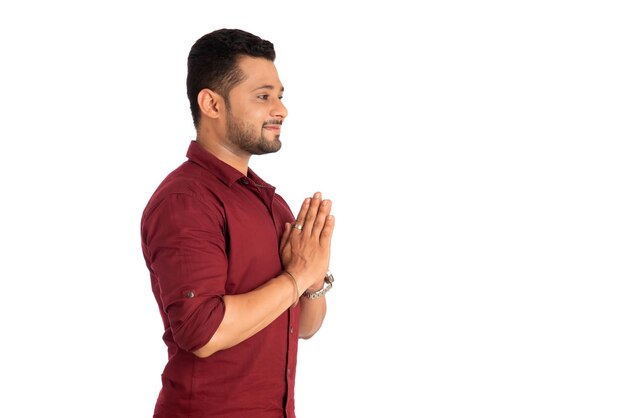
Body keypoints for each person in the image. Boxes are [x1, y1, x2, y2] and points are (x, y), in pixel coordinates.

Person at [140, 28, 335, 418]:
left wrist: (313, 281)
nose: (280, 110)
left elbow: (306, 326)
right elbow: (203, 332)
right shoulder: (187, 201)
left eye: (280, 96)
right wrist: (296, 277)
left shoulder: (271, 203)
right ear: (212, 103)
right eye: (263, 97)